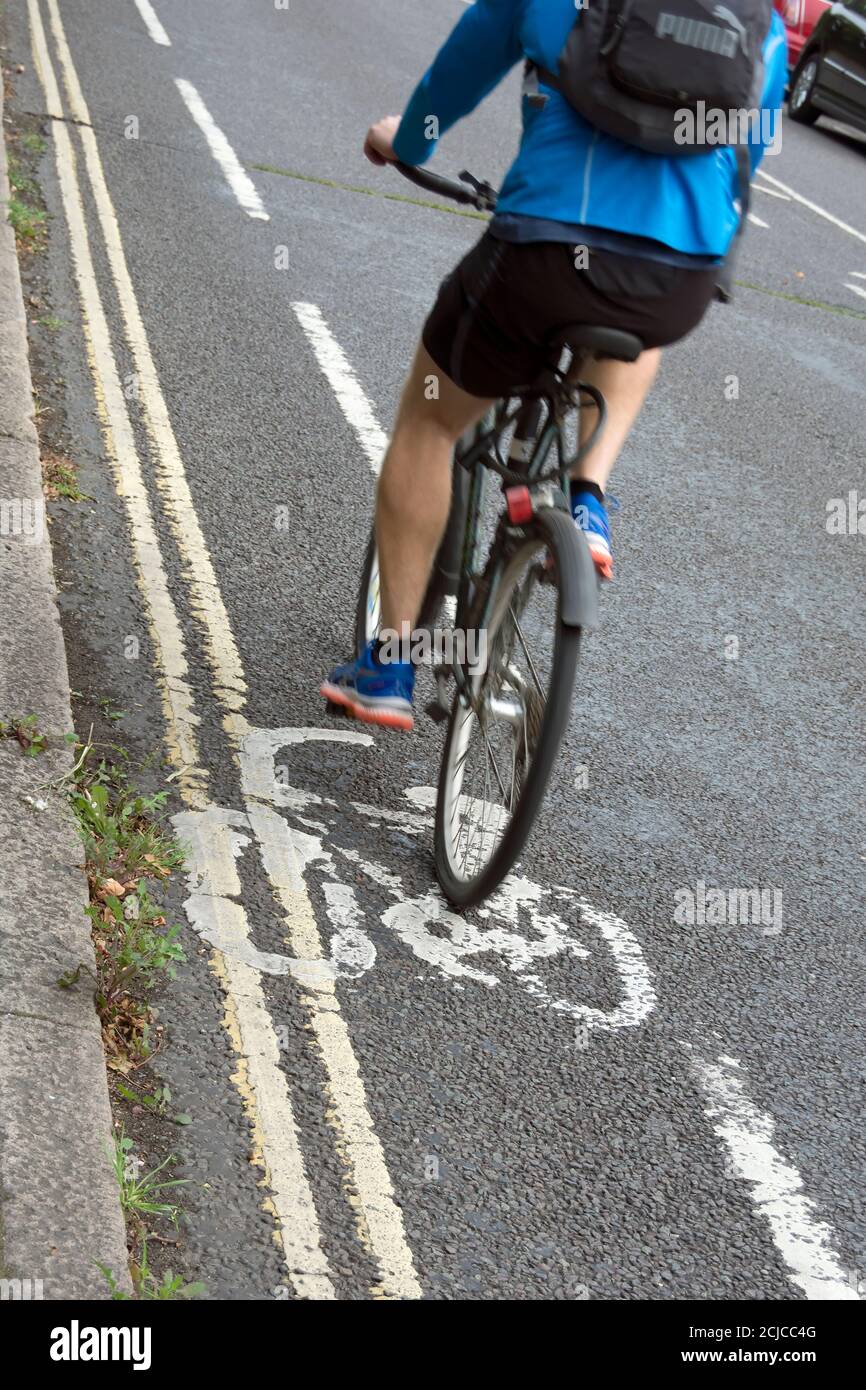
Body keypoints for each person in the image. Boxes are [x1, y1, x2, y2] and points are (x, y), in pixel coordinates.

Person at [321, 0, 787, 731]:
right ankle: (588, 496)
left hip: (542, 252)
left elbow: (456, 77)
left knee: (431, 419)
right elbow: (745, 154)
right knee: (637, 324)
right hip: (678, 277)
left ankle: (389, 663)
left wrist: (405, 140)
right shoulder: (754, 16)